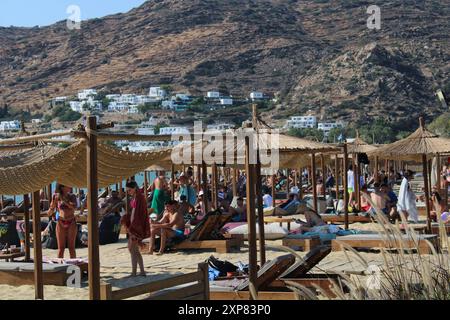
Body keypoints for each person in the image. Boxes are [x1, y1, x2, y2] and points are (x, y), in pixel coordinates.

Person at [121, 181, 149, 277]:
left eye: (129, 190)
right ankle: (141, 271)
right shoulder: (137, 197)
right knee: (134, 250)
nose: (128, 192)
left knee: (133, 249)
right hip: (135, 226)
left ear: (134, 188)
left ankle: (134, 272)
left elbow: (138, 214)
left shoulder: (139, 198)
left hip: (136, 227)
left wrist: (133, 229)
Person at [47, 184, 78, 259]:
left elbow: (74, 207)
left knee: (71, 247)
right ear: (62, 187)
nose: (70, 186)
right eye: (68, 185)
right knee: (61, 248)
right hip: (61, 221)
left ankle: (73, 265)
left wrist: (63, 200)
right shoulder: (55, 196)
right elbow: (50, 210)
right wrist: (53, 204)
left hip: (71, 221)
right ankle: (59, 267)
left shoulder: (72, 196)